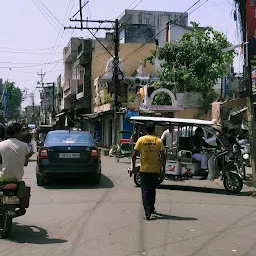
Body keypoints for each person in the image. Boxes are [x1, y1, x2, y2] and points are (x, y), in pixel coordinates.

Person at [132, 122, 166, 220]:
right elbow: (163, 156)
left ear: (145, 130)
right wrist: (163, 170)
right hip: (155, 169)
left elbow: (134, 154)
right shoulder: (158, 141)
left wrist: (134, 167)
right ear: (154, 129)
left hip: (144, 169)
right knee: (152, 190)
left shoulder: (141, 140)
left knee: (145, 191)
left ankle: (148, 211)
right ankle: (151, 208)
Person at [0, 123, 32, 217]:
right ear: (17, 132)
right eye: (21, 131)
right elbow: (26, 162)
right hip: (17, 180)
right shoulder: (25, 146)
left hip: (3, 178)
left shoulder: (1, 145)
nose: (22, 133)